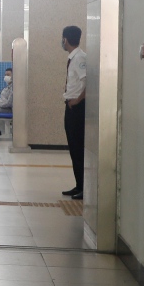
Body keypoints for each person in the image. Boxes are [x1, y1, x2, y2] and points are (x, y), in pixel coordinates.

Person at [61, 26, 87, 199]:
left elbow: (89, 81)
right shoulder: (74, 57)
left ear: (65, 40)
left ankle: (84, 187)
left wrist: (77, 100)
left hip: (77, 108)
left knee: (78, 149)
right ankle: (79, 185)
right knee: (73, 148)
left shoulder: (80, 58)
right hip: (71, 106)